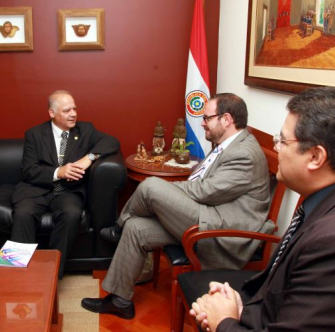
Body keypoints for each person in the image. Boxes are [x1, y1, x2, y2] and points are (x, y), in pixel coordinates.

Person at [82, 93, 271, 319]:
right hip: (208, 215)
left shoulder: (244, 153)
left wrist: (170, 191)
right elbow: (203, 186)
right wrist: (172, 192)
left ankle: (118, 227)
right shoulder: (228, 144)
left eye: (207, 118)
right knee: (137, 228)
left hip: (222, 231)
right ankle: (120, 301)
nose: (202, 122)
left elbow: (205, 191)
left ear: (226, 119)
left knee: (151, 187)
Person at [190, 87, 335, 331]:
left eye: (283, 141)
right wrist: (241, 307)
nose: (276, 149)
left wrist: (224, 321)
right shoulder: (324, 200)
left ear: (316, 157)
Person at [11, 90, 120, 279]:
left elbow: (112, 141)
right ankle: (19, 275)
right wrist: (57, 172)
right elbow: (28, 170)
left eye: (75, 109)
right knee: (23, 212)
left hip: (68, 191)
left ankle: (51, 274)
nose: (73, 114)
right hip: (37, 189)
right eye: (67, 110)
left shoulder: (85, 130)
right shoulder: (35, 134)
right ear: (52, 113)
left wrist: (89, 157)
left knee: (71, 213)